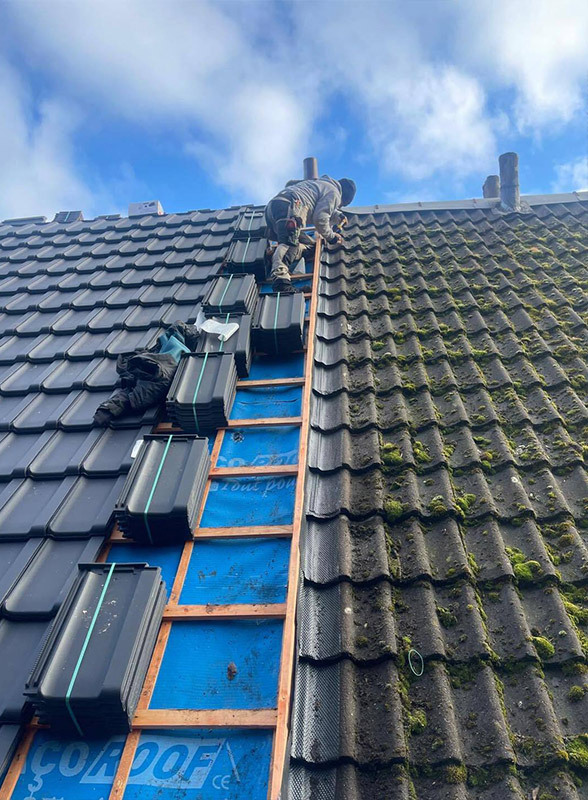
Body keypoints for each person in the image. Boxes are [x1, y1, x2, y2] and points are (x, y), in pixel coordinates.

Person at [265, 175, 356, 292]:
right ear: (345, 198)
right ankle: (281, 282)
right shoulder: (334, 193)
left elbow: (318, 207)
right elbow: (320, 218)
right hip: (291, 207)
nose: (339, 206)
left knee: (310, 245)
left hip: (273, 207)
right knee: (289, 244)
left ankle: (274, 255)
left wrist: (338, 216)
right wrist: (331, 237)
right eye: (342, 205)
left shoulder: (321, 184)